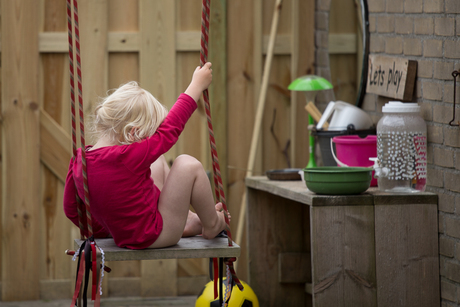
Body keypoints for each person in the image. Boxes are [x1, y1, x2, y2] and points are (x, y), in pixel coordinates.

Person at [63, 62, 230, 249]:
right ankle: (212, 224)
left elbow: (71, 209)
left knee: (156, 160)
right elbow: (170, 130)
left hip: (132, 231)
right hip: (155, 235)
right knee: (187, 164)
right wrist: (196, 86)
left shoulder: (79, 160)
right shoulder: (126, 157)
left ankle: (190, 220)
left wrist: (111, 229)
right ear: (133, 133)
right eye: (149, 135)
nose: (150, 140)